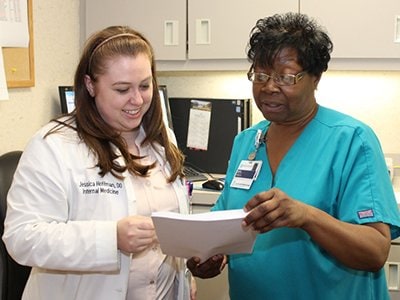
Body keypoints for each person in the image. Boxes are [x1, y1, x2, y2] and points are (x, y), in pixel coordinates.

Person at [187, 12, 400, 300]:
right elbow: (225, 223)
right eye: (260, 75)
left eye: (285, 77)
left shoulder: (352, 141)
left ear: (315, 78)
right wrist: (209, 254)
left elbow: (375, 251)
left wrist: (307, 217)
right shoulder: (247, 141)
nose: (269, 87)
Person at [3, 26, 196, 300]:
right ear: (90, 85)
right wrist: (111, 238)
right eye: (122, 89)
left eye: (145, 85)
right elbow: (22, 238)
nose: (138, 100)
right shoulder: (54, 146)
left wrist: (184, 273)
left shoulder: (160, 139)